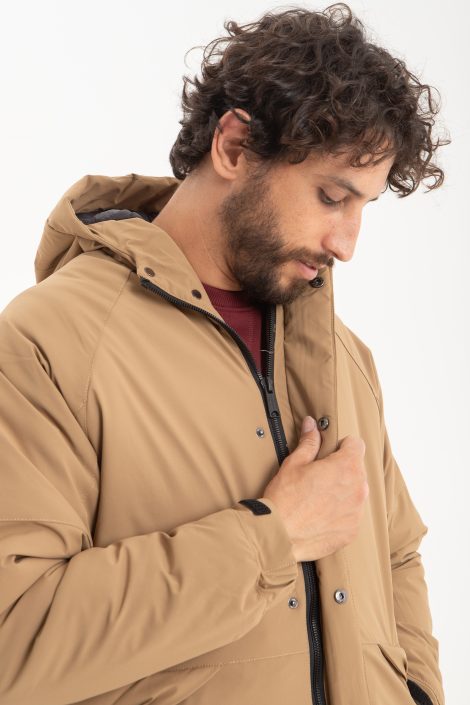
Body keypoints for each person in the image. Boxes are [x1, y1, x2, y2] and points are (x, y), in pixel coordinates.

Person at [0, 4, 449, 705]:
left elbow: (396, 555)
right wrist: (272, 538)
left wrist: (417, 690)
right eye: (332, 197)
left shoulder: (343, 355)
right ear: (235, 147)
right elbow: (16, 638)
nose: (346, 244)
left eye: (362, 207)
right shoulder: (50, 344)